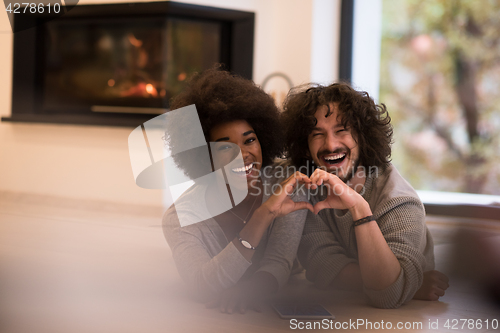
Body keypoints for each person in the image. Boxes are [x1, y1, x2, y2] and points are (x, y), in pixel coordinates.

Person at [281, 82, 450, 309]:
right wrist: (404, 284)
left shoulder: (400, 201)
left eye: (341, 131)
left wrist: (359, 208)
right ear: (305, 145)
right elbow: (320, 265)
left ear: (363, 136)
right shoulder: (308, 187)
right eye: (317, 134)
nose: (330, 144)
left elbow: (387, 296)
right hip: (341, 309)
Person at [162, 67, 313, 313]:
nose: (243, 156)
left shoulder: (288, 182)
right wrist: (262, 216)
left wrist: (249, 289)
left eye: (249, 140)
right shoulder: (181, 217)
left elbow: (279, 262)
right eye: (224, 148)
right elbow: (201, 287)